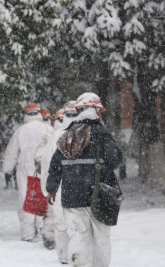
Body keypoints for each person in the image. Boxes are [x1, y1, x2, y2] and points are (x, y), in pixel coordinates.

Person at [46, 93, 123, 267]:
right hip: (99, 196)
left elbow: (55, 165)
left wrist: (51, 189)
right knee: (101, 239)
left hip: (72, 197)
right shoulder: (102, 133)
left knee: (78, 236)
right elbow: (116, 160)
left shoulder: (67, 135)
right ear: (96, 111)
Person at [34, 102, 78, 258]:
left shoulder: (55, 136)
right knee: (78, 223)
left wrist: (47, 187)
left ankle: (64, 254)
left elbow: (46, 162)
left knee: (59, 221)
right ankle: (76, 254)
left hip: (60, 186)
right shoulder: (89, 133)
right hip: (82, 187)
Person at [3, 103, 52, 241]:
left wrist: (7, 169)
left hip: (26, 166)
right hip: (45, 166)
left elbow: (11, 152)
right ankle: (44, 228)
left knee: (27, 198)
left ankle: (28, 233)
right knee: (43, 196)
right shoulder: (48, 129)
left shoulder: (21, 130)